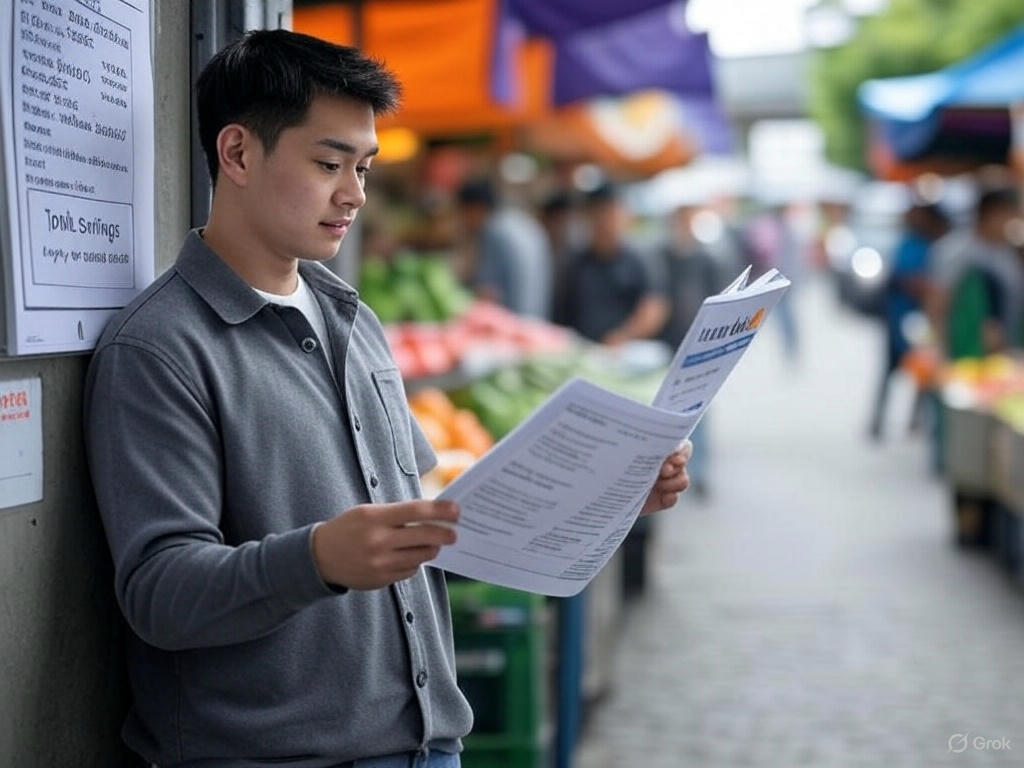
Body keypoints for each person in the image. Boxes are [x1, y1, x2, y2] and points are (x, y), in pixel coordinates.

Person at [83, 30, 691, 768]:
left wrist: (603, 492)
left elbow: (433, 520)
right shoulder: (158, 348)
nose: (356, 194)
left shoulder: (353, 319)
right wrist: (317, 558)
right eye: (329, 163)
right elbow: (159, 593)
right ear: (238, 154)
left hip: (429, 743)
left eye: (364, 167)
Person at [868, 202, 950, 440]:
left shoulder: (926, 243)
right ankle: (880, 421)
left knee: (921, 371)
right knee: (893, 370)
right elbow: (908, 278)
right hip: (901, 317)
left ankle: (913, 421)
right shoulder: (910, 244)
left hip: (915, 319)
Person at [658, 205, 725, 495]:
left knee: (700, 411)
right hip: (670, 342)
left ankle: (700, 471)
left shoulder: (705, 258)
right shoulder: (663, 258)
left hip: (698, 344)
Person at [557, 183, 669, 345]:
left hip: (629, 350)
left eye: (613, 212)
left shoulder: (640, 258)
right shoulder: (576, 261)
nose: (607, 220)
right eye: (601, 212)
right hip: (584, 348)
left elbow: (654, 309)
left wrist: (623, 336)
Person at [456, 178, 552, 319]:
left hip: (514, 323)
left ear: (474, 208)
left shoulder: (494, 231)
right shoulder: (520, 222)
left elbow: (487, 293)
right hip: (537, 317)